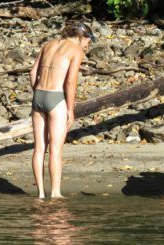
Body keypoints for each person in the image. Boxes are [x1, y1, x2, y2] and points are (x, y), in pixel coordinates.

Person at [30, 22, 96, 198]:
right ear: (81, 37)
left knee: (39, 149)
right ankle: (56, 193)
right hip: (56, 97)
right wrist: (70, 109)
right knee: (56, 149)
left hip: (38, 96)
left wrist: (37, 92)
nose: (87, 46)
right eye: (88, 41)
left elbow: (32, 72)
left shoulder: (48, 45)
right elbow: (70, 82)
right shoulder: (76, 51)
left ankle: (41, 194)